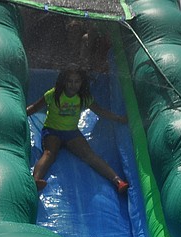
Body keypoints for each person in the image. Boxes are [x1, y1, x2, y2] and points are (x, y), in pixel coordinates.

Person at [26, 64, 128, 192]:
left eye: (77, 81)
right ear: (64, 81)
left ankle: (118, 181)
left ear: (81, 83)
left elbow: (100, 111)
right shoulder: (54, 94)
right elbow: (35, 107)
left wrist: (119, 118)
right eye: (69, 81)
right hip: (52, 131)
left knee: (90, 155)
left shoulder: (83, 98)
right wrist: (22, 114)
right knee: (49, 153)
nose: (73, 85)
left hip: (72, 133)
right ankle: (36, 180)